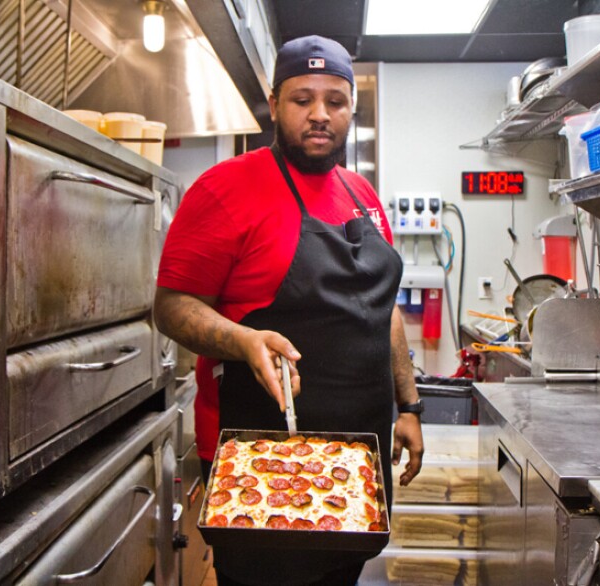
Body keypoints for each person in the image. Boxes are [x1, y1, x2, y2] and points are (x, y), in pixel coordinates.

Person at [154, 34, 424, 586]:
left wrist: (410, 404)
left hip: (356, 460)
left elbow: (382, 309)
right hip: (262, 457)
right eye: (303, 100)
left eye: (335, 101)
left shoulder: (363, 196)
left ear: (351, 108)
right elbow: (172, 306)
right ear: (275, 105)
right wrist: (243, 341)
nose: (320, 115)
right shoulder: (224, 189)